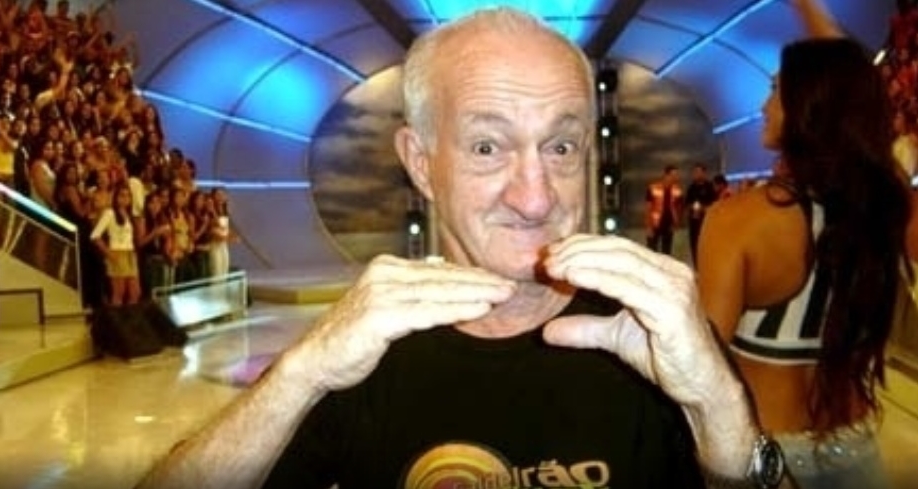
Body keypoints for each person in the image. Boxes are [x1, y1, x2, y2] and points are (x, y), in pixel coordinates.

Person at [138, 8, 776, 489]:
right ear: (421, 163)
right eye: (487, 147)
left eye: (560, 147)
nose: (535, 199)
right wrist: (301, 376)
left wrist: (716, 407)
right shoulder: (362, 352)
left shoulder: (653, 335)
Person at [696, 0, 911, 487]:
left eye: (775, 90)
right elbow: (855, 93)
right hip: (854, 446)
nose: (762, 106)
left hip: (766, 457)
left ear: (807, 104)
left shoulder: (739, 219)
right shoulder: (880, 206)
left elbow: (704, 364)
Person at [684, 163, 717, 268]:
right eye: (695, 172)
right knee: (694, 246)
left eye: (699, 172)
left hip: (707, 223)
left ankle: (707, 268)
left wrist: (703, 208)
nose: (696, 174)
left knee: (706, 246)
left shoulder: (710, 187)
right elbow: (687, 204)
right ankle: (697, 268)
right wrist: (692, 208)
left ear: (704, 173)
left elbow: (715, 204)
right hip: (694, 222)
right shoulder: (691, 187)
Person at [645, 164, 683, 254]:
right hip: (655, 223)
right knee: (651, 251)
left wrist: (676, 223)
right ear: (666, 175)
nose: (675, 177)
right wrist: (649, 226)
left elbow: (679, 208)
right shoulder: (653, 188)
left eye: (676, 175)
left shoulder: (678, 190)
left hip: (669, 223)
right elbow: (648, 208)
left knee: (666, 251)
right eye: (673, 175)